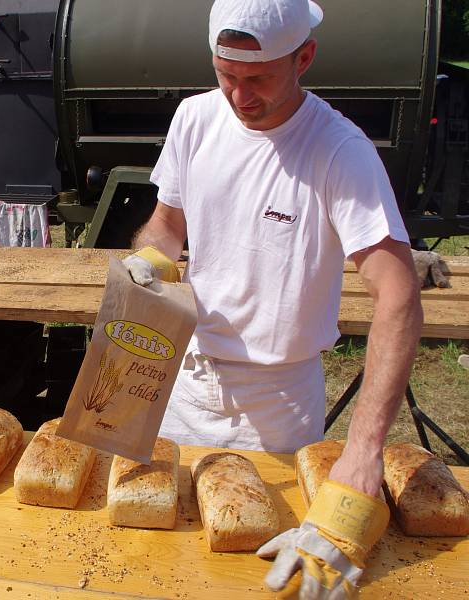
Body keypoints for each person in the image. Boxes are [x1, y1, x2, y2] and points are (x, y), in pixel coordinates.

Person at [124, 0, 423, 597]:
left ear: (304, 57)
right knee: (163, 564)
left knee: (266, 580)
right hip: (187, 383)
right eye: (226, 76)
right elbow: (167, 223)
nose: (238, 97)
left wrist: (363, 456)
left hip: (277, 406)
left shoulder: (339, 149)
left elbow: (398, 292)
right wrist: (151, 261)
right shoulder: (195, 118)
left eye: (257, 79)